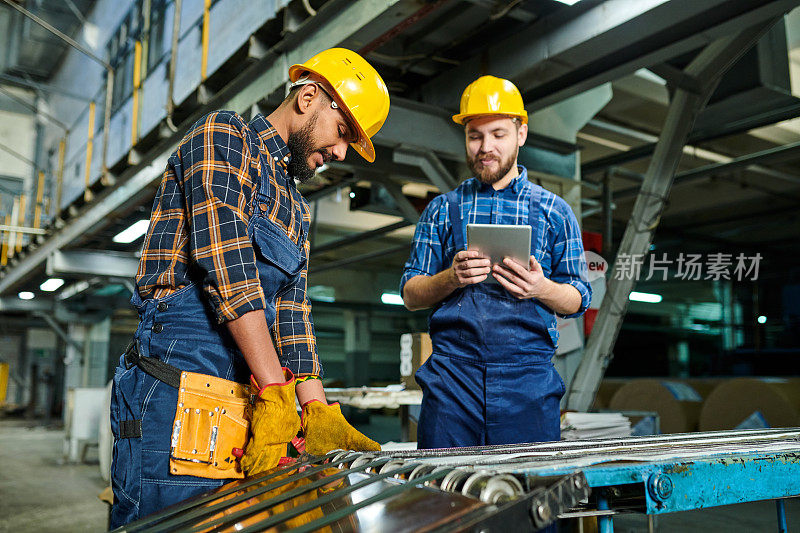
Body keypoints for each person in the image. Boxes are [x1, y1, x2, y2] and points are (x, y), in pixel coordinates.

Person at [110, 48, 389, 527]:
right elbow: (226, 264)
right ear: (308, 98)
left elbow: (294, 315)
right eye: (342, 133)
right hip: (178, 383)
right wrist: (278, 391)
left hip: (248, 397)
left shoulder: (297, 210)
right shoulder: (225, 136)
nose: (341, 154)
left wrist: (315, 408)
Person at [401, 75, 592, 449]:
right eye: (475, 136)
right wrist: (451, 278)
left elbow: (578, 298)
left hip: (529, 383)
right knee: (445, 497)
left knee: (528, 497)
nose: (485, 147)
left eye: (498, 134)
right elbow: (411, 293)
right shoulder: (441, 210)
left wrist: (541, 288)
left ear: (521, 133)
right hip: (453, 381)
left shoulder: (555, 211)